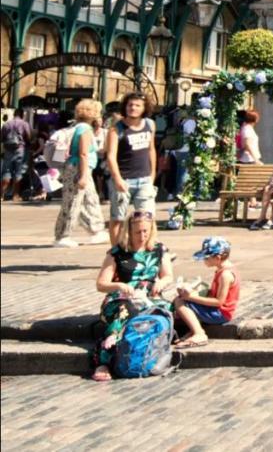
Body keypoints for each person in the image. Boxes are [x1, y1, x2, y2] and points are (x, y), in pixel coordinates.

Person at [91, 210, 173, 381]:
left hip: (148, 295)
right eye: (137, 232)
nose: (142, 236)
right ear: (128, 232)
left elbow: (168, 276)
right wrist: (119, 285)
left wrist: (161, 283)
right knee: (125, 311)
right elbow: (101, 284)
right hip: (121, 297)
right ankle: (104, 359)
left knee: (166, 310)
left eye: (146, 231)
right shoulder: (117, 253)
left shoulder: (159, 249)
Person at [53, 100, 111, 248]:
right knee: (72, 202)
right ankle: (62, 236)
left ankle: (96, 230)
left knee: (89, 200)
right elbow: (83, 153)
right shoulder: (85, 129)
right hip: (79, 168)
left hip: (80, 168)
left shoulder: (78, 127)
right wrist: (84, 175)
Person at [105, 92, 158, 246]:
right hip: (124, 179)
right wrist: (117, 179)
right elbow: (110, 156)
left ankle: (150, 250)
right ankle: (116, 253)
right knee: (118, 218)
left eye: (137, 105)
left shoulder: (150, 124)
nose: (133, 108)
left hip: (144, 178)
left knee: (148, 217)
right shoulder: (116, 129)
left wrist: (152, 174)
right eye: (130, 105)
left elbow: (151, 149)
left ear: (144, 108)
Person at [173, 236, 239, 349]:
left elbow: (219, 302)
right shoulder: (222, 270)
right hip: (220, 311)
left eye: (206, 258)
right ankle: (193, 330)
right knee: (185, 299)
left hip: (221, 314)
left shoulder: (225, 275)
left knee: (179, 301)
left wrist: (191, 297)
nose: (204, 261)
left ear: (218, 258)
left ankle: (199, 333)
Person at [1, 111, 33, 202]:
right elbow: (28, 137)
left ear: (14, 114)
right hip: (20, 150)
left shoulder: (6, 124)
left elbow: (2, 137)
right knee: (18, 172)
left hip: (8, 150)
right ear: (22, 115)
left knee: (6, 172)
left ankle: (2, 195)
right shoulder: (24, 124)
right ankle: (15, 195)